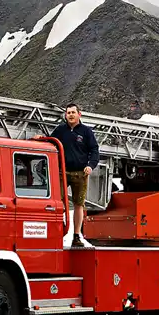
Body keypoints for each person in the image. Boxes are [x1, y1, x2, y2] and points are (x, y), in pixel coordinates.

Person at [39, 103, 99, 247]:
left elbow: (95, 150)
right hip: (62, 173)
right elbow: (50, 142)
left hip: (81, 174)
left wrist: (90, 166)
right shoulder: (60, 130)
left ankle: (76, 235)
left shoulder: (86, 132)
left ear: (79, 114)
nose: (70, 115)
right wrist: (40, 138)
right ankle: (58, 233)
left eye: (73, 112)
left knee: (79, 204)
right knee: (58, 203)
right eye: (68, 113)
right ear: (65, 115)